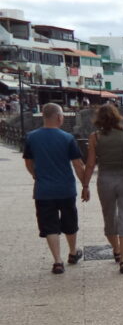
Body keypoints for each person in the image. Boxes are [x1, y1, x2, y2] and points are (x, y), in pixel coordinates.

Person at [23, 103, 90, 274]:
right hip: (66, 188)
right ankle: (73, 253)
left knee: (49, 225)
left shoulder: (31, 137)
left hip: (43, 190)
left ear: (44, 117)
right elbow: (77, 164)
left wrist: (35, 175)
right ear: (59, 117)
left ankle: (57, 261)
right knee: (70, 221)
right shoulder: (67, 138)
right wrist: (85, 185)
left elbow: (28, 162)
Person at [82, 104, 123, 274]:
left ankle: (116, 251)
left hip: (105, 181)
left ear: (99, 119)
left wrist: (85, 185)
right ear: (117, 116)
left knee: (109, 217)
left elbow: (90, 164)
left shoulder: (94, 137)